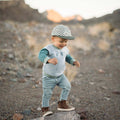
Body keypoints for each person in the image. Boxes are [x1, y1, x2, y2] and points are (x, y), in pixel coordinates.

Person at [38, 24, 80, 117]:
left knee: (67, 86)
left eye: (66, 41)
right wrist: (48, 60)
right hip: (48, 77)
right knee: (47, 93)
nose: (64, 44)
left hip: (60, 76)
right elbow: (41, 55)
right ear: (53, 39)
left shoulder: (65, 49)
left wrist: (73, 61)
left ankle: (62, 103)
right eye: (61, 41)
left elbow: (67, 57)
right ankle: (45, 109)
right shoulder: (49, 48)